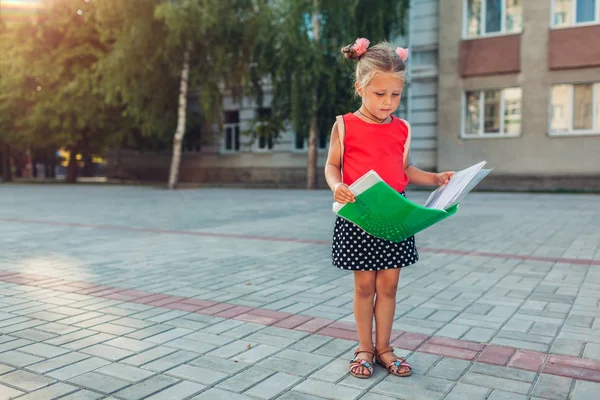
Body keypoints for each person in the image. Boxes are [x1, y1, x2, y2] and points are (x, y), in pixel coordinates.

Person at [324, 38, 455, 379]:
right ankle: (364, 347)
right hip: (360, 218)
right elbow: (332, 166)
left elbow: (406, 170)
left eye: (395, 95)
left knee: (390, 287)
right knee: (364, 287)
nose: (388, 102)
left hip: (396, 217)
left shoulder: (402, 128)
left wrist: (435, 178)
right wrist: (337, 185)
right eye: (379, 94)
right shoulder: (344, 125)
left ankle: (384, 348)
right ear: (360, 88)